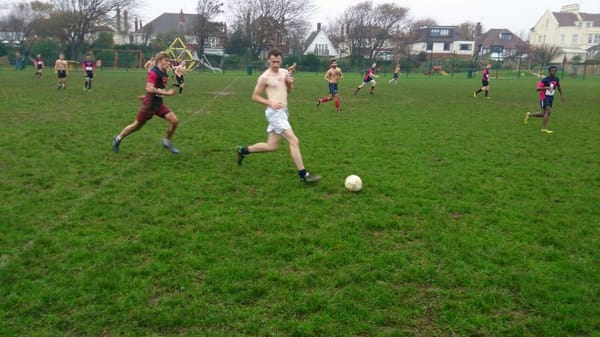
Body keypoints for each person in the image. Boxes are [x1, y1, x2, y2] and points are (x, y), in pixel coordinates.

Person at [235, 48, 321, 184]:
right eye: (273, 61)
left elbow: (289, 92)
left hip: (284, 112)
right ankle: (304, 175)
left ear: (281, 60)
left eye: (278, 61)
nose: (276, 64)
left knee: (271, 146)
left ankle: (243, 150)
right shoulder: (264, 77)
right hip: (274, 114)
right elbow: (255, 96)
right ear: (268, 60)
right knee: (293, 140)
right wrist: (270, 103)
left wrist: (289, 84)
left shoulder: (284, 72)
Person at [112, 52, 180, 154]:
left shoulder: (164, 72)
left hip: (158, 104)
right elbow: (149, 88)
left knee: (174, 120)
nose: (168, 63)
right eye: (166, 61)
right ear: (160, 61)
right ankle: (118, 138)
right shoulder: (154, 72)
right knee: (137, 126)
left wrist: (160, 93)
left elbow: (157, 87)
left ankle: (166, 141)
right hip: (149, 105)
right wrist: (165, 93)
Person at [524, 65, 565, 134]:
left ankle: (530, 115)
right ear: (549, 71)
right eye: (552, 70)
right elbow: (537, 88)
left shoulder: (556, 79)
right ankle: (544, 128)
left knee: (543, 114)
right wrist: (546, 87)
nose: (553, 72)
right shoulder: (545, 79)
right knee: (548, 112)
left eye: (555, 70)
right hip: (544, 97)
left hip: (551, 97)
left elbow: (558, 87)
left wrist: (561, 95)